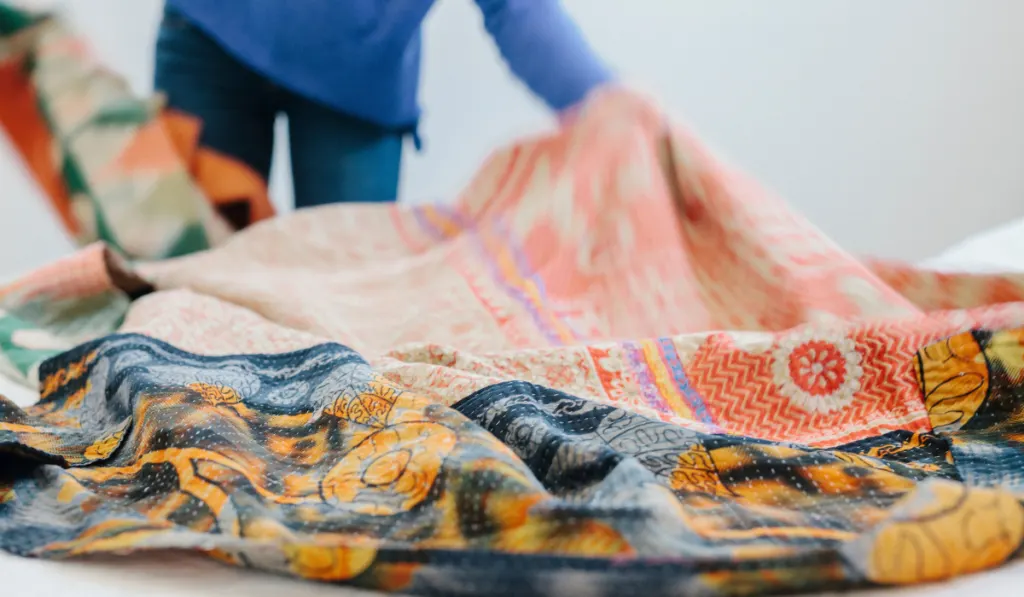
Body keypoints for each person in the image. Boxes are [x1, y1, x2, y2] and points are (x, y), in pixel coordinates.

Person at [154, 0, 613, 210]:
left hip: (358, 88)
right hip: (209, 40)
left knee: (343, 309)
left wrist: (610, 108)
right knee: (182, 274)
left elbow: (519, 8)